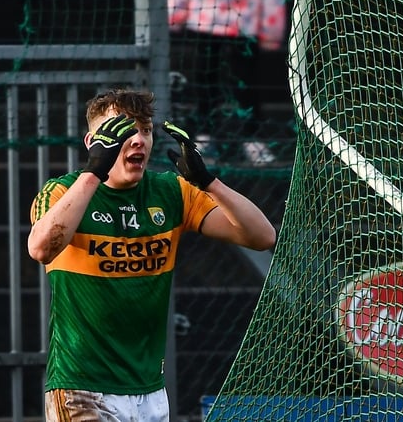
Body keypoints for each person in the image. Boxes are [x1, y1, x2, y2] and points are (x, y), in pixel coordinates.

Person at [27, 89, 276, 420]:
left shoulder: (171, 192)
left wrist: (208, 181)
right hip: (82, 386)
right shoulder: (62, 192)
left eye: (144, 130)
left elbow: (262, 236)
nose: (137, 140)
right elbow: (41, 248)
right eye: (122, 131)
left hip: (149, 391)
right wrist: (93, 172)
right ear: (92, 142)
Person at [168, 0, 287, 165]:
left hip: (245, 17)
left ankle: (251, 137)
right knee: (206, 76)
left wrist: (270, 27)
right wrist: (176, 11)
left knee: (245, 80)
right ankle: (203, 135)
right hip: (205, 15)